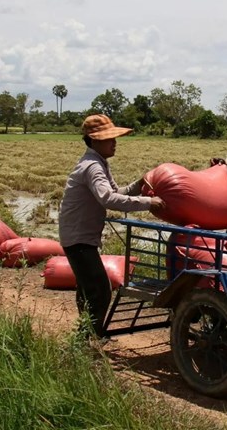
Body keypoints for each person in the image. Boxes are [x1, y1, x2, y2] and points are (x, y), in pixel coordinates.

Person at [58, 114, 166, 339]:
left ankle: (86, 334)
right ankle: (90, 339)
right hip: (78, 238)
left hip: (78, 235)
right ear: (93, 140)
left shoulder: (99, 163)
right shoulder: (92, 167)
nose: (115, 142)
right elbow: (108, 199)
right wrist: (148, 203)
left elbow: (116, 193)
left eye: (115, 137)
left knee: (88, 288)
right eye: (109, 138)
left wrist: (138, 185)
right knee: (100, 290)